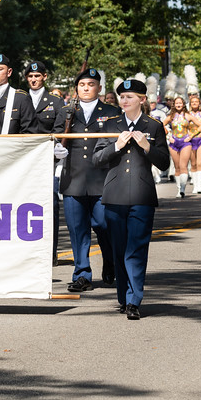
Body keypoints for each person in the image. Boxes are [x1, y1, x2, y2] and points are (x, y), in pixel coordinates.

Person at [94, 79, 170, 320]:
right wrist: (116, 145)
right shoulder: (110, 125)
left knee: (136, 249)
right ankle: (123, 297)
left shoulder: (154, 126)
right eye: (122, 97)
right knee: (118, 249)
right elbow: (97, 159)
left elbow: (165, 162)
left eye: (130, 97)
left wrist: (147, 146)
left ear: (142, 100)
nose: (124, 101)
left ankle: (134, 299)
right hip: (114, 195)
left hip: (141, 195)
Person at [55, 67, 121, 292]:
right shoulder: (65, 111)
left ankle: (110, 259)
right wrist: (56, 151)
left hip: (101, 179)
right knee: (77, 229)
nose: (86, 88)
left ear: (99, 88)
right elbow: (55, 137)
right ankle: (82, 273)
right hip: (73, 178)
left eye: (91, 84)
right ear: (76, 88)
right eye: (82, 85)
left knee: (103, 224)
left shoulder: (111, 112)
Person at [25, 61, 65, 263]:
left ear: (44, 77)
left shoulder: (55, 102)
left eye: (37, 76)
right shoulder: (19, 99)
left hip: (46, 158)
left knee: (50, 204)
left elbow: (58, 130)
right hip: (23, 160)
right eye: (30, 77)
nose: (33, 80)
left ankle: (51, 250)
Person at [163, 96, 192, 197]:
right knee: (177, 167)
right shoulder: (171, 116)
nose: (179, 105)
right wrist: (168, 136)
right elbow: (161, 125)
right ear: (174, 105)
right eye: (177, 103)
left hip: (185, 143)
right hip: (174, 143)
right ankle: (179, 189)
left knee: (183, 166)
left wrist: (191, 135)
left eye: (180, 103)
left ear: (183, 104)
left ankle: (183, 189)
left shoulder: (188, 116)